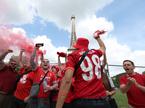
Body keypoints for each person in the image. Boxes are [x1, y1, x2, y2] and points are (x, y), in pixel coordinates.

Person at [56, 30, 111, 108]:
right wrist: (97, 37)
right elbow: (103, 48)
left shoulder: (73, 55)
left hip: (83, 99)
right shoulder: (95, 52)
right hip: (102, 100)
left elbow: (67, 80)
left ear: (77, 46)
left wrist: (58, 106)